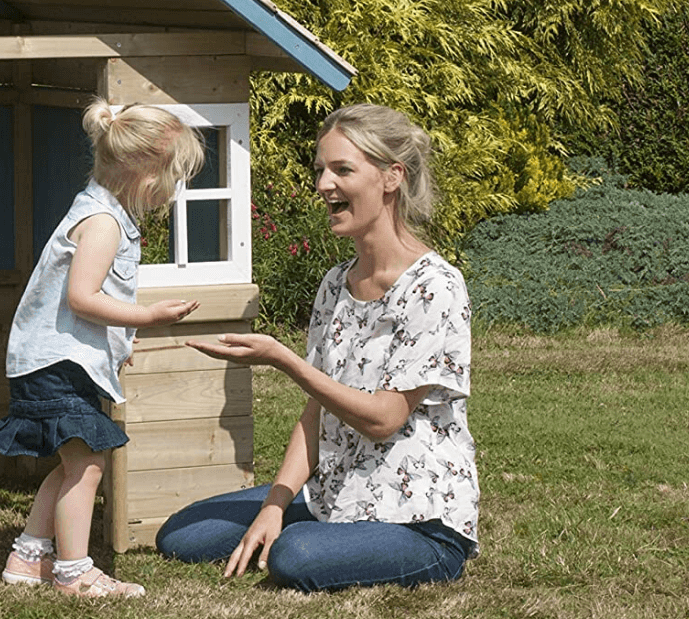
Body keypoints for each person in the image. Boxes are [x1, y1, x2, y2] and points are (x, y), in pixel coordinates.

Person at [155, 103, 480, 593]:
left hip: (418, 517)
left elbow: (384, 419)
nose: (323, 184)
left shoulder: (435, 287)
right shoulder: (335, 283)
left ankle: (390, 548)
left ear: (392, 177)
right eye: (320, 170)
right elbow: (316, 413)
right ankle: (319, 528)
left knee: (296, 554)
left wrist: (282, 359)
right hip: (336, 493)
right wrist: (273, 505)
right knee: (184, 535)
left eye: (342, 170)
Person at [0, 98, 205, 598]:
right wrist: (146, 316)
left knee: (73, 464)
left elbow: (86, 303)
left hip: (56, 362)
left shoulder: (101, 211)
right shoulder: (102, 223)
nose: (173, 188)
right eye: (172, 174)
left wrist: (118, 338)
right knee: (88, 465)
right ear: (142, 173)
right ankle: (74, 572)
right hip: (55, 366)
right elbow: (83, 297)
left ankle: (27, 557)